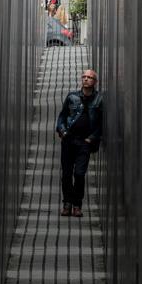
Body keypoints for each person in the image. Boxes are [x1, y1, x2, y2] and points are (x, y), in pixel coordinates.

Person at [55, 69, 103, 217]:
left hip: (84, 143)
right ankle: (67, 204)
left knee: (79, 174)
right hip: (69, 140)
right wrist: (62, 131)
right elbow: (62, 116)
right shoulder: (72, 97)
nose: (86, 79)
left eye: (90, 77)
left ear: (95, 82)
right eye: (84, 76)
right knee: (67, 174)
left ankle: (77, 205)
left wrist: (92, 138)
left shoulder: (99, 100)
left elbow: (102, 124)